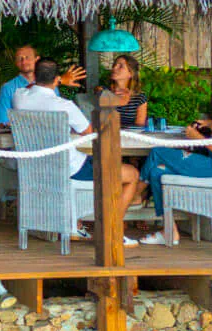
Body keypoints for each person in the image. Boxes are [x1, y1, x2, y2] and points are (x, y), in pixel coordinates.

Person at [15, 57, 144, 239]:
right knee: (131, 174)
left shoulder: (19, 97)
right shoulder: (65, 106)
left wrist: (55, 80)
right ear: (56, 79)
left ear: (35, 76)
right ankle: (113, 230)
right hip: (70, 169)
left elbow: (30, 88)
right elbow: (91, 133)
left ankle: (77, 223)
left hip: (36, 168)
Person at [137, 65, 212, 245]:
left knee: (158, 152)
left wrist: (197, 137)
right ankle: (170, 231)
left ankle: (137, 194)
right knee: (157, 172)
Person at [96, 54, 152, 229]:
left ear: (130, 74)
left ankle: (129, 211)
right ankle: (123, 216)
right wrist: (113, 99)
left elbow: (140, 126)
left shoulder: (139, 98)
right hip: (110, 141)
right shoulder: (103, 92)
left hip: (131, 143)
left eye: (121, 66)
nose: (115, 68)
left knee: (143, 162)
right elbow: (101, 118)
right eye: (115, 65)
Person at [0, 45, 85, 126]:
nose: (24, 61)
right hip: (23, 138)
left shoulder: (51, 84)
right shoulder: (8, 88)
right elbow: (2, 122)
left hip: (53, 134)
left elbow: (57, 111)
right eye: (19, 58)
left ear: (37, 59)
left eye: (27, 57)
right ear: (16, 62)